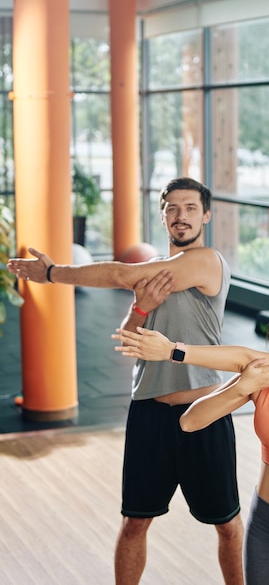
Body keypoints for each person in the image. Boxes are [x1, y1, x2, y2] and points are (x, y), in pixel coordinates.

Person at [8, 177, 244, 585]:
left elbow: (120, 273)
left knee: (226, 525)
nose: (181, 216)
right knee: (135, 522)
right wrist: (142, 306)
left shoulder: (206, 261)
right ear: (163, 216)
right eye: (172, 208)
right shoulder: (152, 277)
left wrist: (52, 274)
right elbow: (129, 335)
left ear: (206, 214)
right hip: (150, 412)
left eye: (190, 208)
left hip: (204, 412)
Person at [112, 272, 269, 585]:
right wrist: (244, 388)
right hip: (267, 525)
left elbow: (247, 359)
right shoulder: (257, 375)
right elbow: (190, 421)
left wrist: (173, 350)